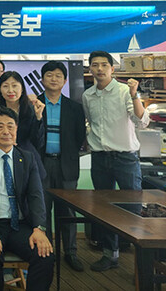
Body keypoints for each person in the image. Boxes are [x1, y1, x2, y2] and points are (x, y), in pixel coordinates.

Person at [0, 105, 54, 291]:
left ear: (16, 128)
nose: (6, 131)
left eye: (10, 126)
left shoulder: (27, 158)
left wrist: (39, 228)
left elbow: (36, 195)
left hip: (19, 225)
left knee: (44, 254)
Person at [82, 50, 149, 272]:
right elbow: (91, 123)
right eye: (94, 65)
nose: (99, 69)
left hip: (125, 159)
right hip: (100, 158)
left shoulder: (124, 91)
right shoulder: (88, 95)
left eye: (103, 64)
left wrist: (134, 94)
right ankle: (110, 255)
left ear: (113, 68)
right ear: (90, 69)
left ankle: (142, 260)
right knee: (105, 210)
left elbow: (141, 121)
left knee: (132, 209)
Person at [38, 61, 86, 272]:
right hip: (41, 164)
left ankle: (71, 252)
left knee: (67, 212)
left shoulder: (74, 107)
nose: (54, 79)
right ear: (42, 79)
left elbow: (79, 138)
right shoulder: (34, 104)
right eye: (49, 75)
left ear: (65, 81)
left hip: (66, 164)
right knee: (42, 210)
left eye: (58, 75)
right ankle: (46, 251)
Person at [0, 71, 46, 179]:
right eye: (5, 86)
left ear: (22, 89)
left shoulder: (31, 109)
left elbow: (38, 142)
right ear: (0, 90)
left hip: (28, 159)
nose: (10, 90)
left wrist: (38, 117)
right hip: (2, 158)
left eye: (15, 86)